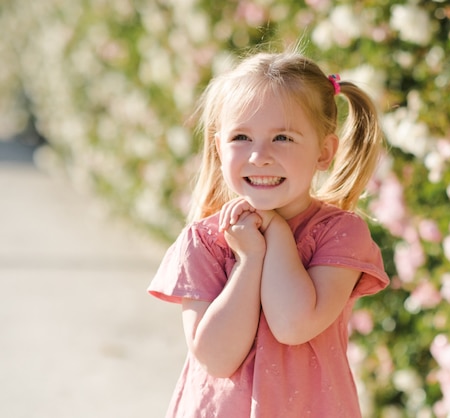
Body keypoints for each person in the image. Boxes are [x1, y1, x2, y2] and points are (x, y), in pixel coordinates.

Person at [148, 50, 390, 418]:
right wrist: (248, 260)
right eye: (241, 137)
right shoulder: (203, 242)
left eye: (283, 138)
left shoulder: (340, 234)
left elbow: (294, 324)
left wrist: (275, 231)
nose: (259, 155)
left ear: (324, 152)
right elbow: (215, 357)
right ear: (219, 147)